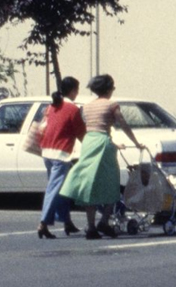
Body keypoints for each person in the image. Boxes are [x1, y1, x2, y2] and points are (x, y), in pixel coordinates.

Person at [57, 74, 149, 239]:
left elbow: (92, 128)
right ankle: (104, 221)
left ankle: (91, 226)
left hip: (89, 142)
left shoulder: (87, 106)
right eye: (113, 87)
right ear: (108, 89)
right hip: (103, 143)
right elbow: (123, 124)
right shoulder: (111, 105)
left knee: (89, 184)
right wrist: (135, 143)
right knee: (111, 183)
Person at [36, 77, 86, 239]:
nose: (78, 93)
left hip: (47, 151)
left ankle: (66, 221)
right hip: (61, 153)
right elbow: (81, 132)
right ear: (72, 90)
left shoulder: (52, 106)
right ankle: (43, 223)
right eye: (77, 90)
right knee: (55, 189)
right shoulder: (72, 109)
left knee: (61, 188)